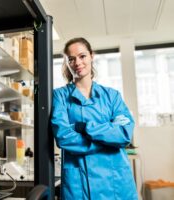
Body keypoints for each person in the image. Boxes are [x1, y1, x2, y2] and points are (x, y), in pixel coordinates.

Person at [51, 37, 138, 200]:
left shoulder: (112, 96)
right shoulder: (60, 96)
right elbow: (63, 137)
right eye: (71, 59)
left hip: (116, 180)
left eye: (82, 56)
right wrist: (107, 140)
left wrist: (84, 127)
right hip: (79, 181)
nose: (77, 62)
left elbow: (124, 134)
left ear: (92, 56)